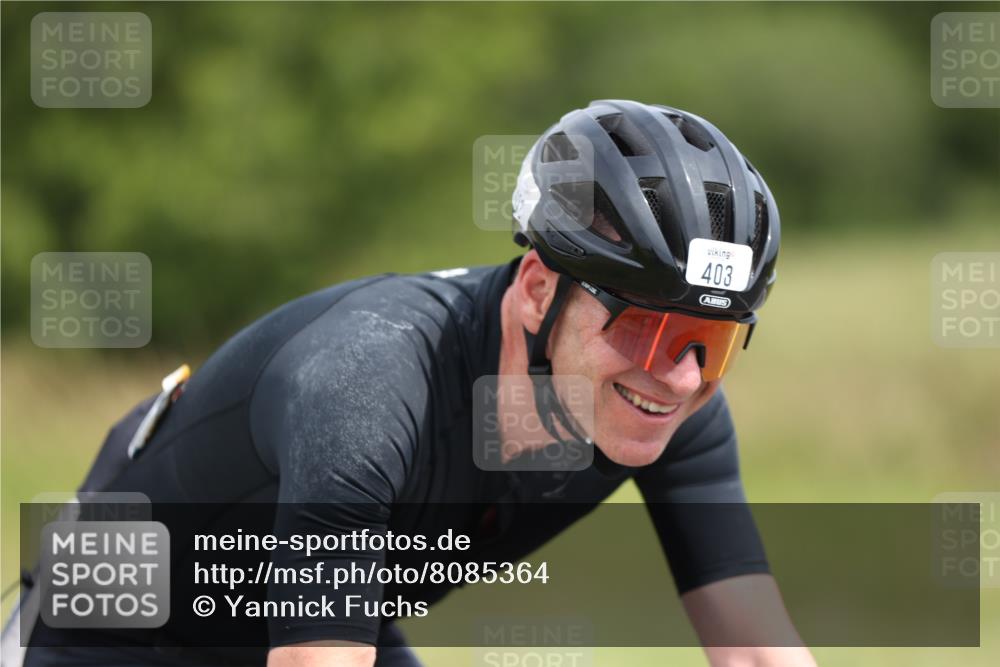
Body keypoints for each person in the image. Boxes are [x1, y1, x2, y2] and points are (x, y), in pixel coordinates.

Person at [11, 100, 816, 667]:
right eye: (645, 327)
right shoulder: (370, 385)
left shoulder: (672, 409)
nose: (676, 376)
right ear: (538, 289)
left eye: (711, 340)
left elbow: (753, 649)